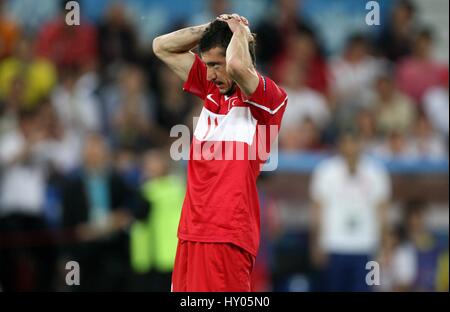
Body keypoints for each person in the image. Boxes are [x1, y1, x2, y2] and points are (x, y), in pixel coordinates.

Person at [153, 13, 287, 291]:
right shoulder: (211, 90)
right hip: (191, 231)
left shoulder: (267, 102)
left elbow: (238, 66)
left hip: (226, 234)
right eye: (207, 65)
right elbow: (161, 46)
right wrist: (211, 28)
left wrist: (238, 29)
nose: (210, 74)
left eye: (216, 65)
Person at [310, 131, 391, 291]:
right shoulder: (326, 171)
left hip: (367, 247)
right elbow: (317, 210)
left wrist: (384, 247)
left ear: (360, 144)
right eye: (346, 143)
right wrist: (316, 243)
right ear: (340, 145)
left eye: (353, 143)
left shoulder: (376, 172)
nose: (350, 148)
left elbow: (382, 212)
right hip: (334, 245)